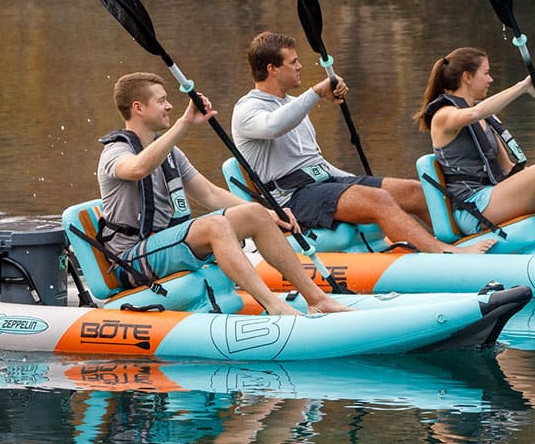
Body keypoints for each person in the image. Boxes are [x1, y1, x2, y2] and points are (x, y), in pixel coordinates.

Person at [96, 72, 350, 316]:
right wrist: (184, 124)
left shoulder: (171, 153)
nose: (170, 106)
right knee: (214, 225)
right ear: (138, 108)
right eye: (161, 100)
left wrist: (271, 213)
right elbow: (138, 168)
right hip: (131, 258)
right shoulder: (115, 151)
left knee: (254, 213)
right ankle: (275, 307)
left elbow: (209, 193)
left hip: (163, 245)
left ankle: (317, 299)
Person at [232, 32, 492, 253]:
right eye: (293, 62)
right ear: (272, 69)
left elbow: (317, 164)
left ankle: (457, 241)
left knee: (415, 191)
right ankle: (447, 254)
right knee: (378, 200)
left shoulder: (291, 105)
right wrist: (316, 93)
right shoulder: (247, 109)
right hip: (291, 198)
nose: (300, 66)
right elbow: (273, 126)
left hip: (323, 183)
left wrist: (354, 182)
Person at [414, 47, 535, 255]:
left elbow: (508, 169)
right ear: (467, 77)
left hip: (494, 197)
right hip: (473, 207)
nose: (490, 79)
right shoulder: (444, 115)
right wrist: (523, 87)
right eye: (486, 73)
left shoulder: (485, 120)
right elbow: (474, 112)